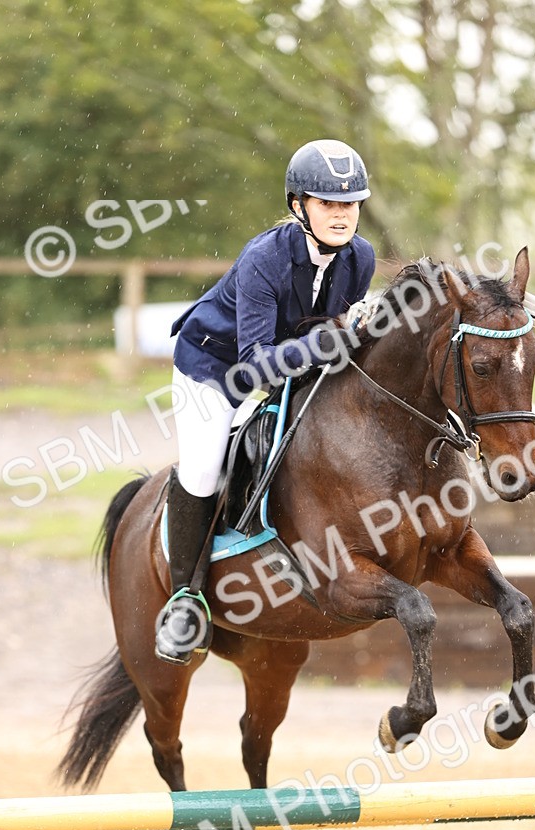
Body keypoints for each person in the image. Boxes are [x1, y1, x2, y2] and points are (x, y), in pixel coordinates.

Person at [155, 138, 376, 664]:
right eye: (328, 203)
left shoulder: (360, 259)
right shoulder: (264, 259)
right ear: (299, 205)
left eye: (350, 203)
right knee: (206, 467)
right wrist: (335, 337)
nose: (341, 215)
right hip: (215, 367)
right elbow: (255, 363)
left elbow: (334, 338)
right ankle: (186, 600)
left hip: (288, 365)